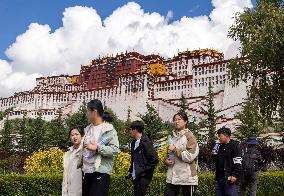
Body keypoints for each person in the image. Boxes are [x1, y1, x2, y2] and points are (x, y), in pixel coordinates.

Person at [79, 99, 120, 196]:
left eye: (88, 111)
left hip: (100, 172)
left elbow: (115, 150)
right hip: (87, 172)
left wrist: (97, 148)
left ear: (94, 112)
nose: (86, 114)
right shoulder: (88, 129)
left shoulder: (108, 129)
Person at [164, 112, 199, 196]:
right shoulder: (172, 137)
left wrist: (175, 149)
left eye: (179, 119)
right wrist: (166, 161)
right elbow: (169, 155)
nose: (177, 122)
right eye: (175, 120)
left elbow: (189, 157)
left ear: (185, 121)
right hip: (172, 178)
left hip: (187, 179)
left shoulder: (190, 137)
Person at [126, 120, 158, 196]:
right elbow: (133, 159)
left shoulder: (146, 142)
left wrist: (144, 171)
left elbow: (154, 159)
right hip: (136, 175)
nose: (129, 131)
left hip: (143, 177)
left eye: (130, 129)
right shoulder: (134, 142)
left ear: (135, 130)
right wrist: (130, 171)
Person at [213, 127, 242, 196]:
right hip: (220, 179)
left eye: (220, 136)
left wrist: (235, 175)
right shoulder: (219, 146)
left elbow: (238, 162)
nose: (219, 138)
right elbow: (214, 160)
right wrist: (214, 152)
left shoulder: (235, 146)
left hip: (230, 179)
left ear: (226, 136)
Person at [62, 128, 84, 196]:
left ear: (82, 136)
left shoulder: (86, 152)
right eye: (72, 135)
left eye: (77, 134)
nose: (74, 137)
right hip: (69, 192)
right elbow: (65, 174)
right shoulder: (68, 153)